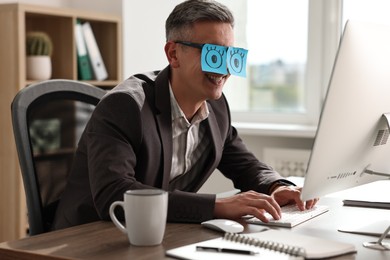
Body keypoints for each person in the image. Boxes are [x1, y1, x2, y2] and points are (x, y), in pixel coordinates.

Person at [52, 0, 317, 230]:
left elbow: (246, 165)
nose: (224, 68)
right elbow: (115, 193)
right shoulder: (125, 106)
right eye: (214, 55)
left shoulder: (216, 107)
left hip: (157, 233)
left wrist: (277, 187)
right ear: (173, 53)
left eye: (232, 55)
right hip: (90, 237)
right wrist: (216, 206)